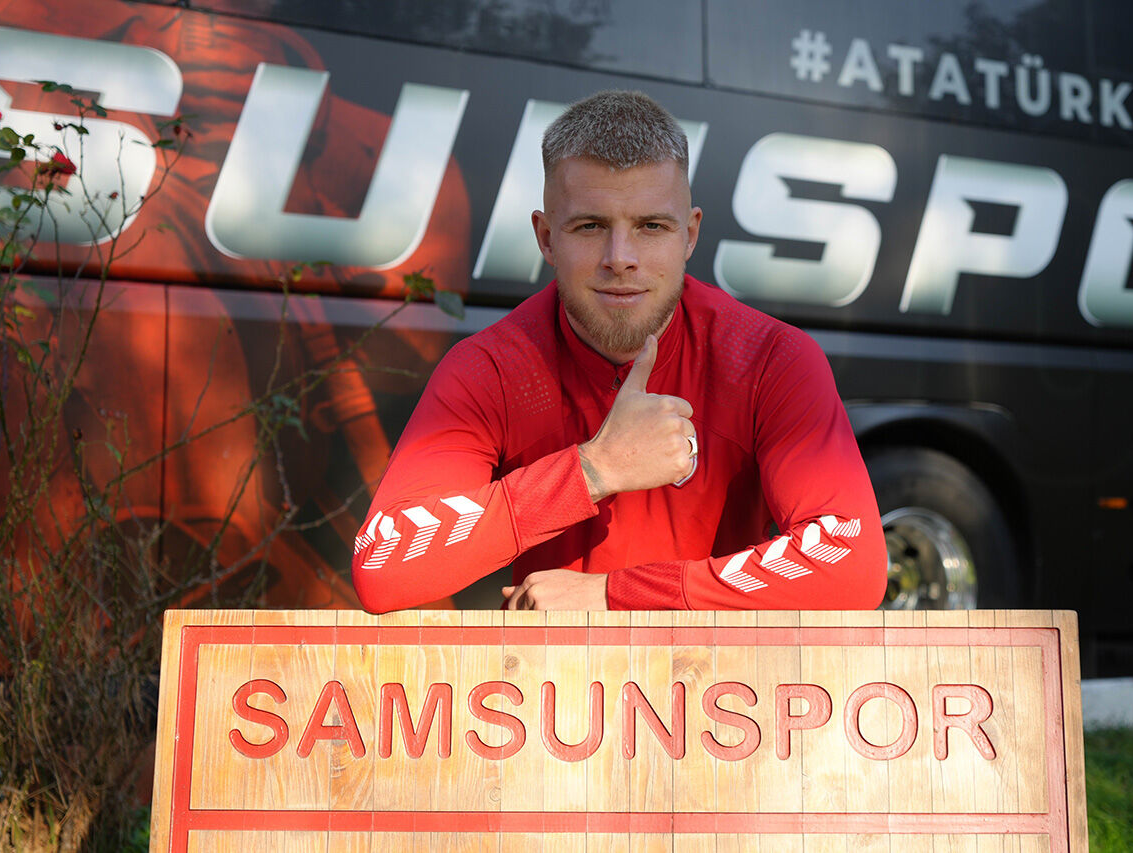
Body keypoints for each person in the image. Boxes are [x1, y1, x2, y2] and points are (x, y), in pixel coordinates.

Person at [352, 90, 886, 612]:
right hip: (550, 671)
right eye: (590, 226)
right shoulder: (491, 367)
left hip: (719, 669)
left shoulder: (770, 359)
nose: (620, 258)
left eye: (651, 226)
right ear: (546, 238)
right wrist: (594, 469)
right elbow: (383, 566)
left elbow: (852, 567)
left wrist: (614, 596)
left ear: (690, 235)